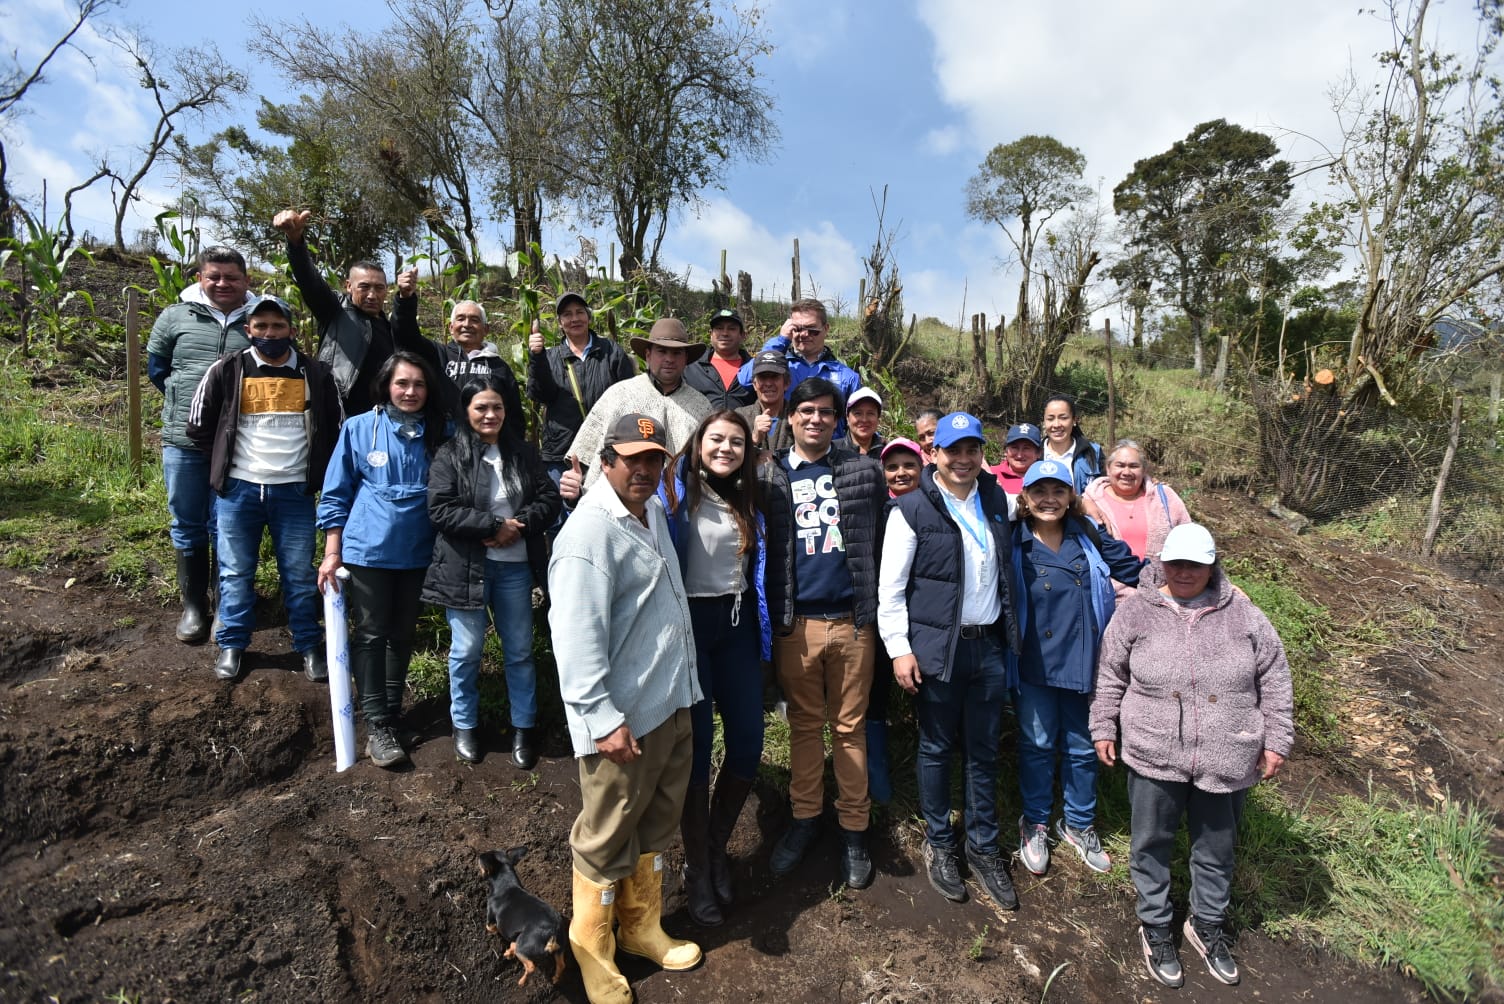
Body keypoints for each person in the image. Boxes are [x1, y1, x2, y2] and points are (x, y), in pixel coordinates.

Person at [1091, 523, 1293, 989]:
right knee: (1150, 844)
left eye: (1195, 564)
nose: (1184, 572)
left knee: (1216, 850)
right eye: (1175, 563)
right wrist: (1103, 725)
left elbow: (1276, 678)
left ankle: (1206, 925)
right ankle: (1157, 925)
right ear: (1160, 563)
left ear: (1212, 564)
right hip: (1154, 751)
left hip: (1228, 754)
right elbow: (1110, 675)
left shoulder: (1243, 613)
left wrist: (1277, 738)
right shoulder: (1136, 612)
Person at [548, 413, 703, 1004]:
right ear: (603, 460)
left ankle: (641, 929)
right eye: (631, 458)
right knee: (606, 833)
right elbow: (576, 638)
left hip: (668, 701)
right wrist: (602, 718)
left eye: (653, 459)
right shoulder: (589, 535)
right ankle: (593, 949)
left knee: (656, 823)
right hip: (624, 718)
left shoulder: (653, 513)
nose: (643, 469)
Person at [879, 413, 1020, 910]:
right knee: (936, 747)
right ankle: (940, 843)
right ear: (933, 454)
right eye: (952, 450)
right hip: (939, 650)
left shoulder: (996, 499)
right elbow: (891, 590)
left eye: (972, 450)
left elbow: (1049, 505)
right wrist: (900, 648)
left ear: (983, 454)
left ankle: (983, 848)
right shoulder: (911, 509)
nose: (963, 460)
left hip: (989, 648)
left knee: (983, 751)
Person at [760, 376, 887, 890]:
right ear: (790, 417)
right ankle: (805, 817)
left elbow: (887, 533)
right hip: (799, 626)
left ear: (838, 420)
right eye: (806, 411)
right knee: (806, 728)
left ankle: (854, 828)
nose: (816, 419)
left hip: (853, 625)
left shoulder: (862, 472)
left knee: (851, 729)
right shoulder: (770, 477)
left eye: (826, 413)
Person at [185, 296, 342, 682]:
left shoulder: (317, 375)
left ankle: (308, 645)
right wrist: (227, 462)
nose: (270, 334)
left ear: (291, 329)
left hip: (294, 493)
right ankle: (233, 644)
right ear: (248, 330)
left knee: (300, 574)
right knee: (235, 571)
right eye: (261, 327)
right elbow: (199, 425)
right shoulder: (227, 370)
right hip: (239, 491)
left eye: (277, 326)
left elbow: (337, 429)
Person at [1011, 459, 1144, 877]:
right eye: (1040, 492)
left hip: (1086, 660)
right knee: (1036, 745)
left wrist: (1201, 582)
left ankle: (1079, 822)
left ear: (1072, 497)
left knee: (1084, 747)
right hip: (1032, 662)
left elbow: (1132, 571)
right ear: (1026, 499)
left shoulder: (1087, 535)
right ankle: (1034, 821)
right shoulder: (1012, 540)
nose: (1049, 500)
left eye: (1058, 491)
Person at [662, 410, 769, 927]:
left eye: (737, 442)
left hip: (739, 625)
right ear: (698, 442)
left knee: (749, 740)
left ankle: (713, 847)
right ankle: (698, 870)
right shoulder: (675, 492)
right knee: (699, 749)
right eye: (717, 439)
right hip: (693, 627)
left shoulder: (749, 497)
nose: (726, 448)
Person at [317, 351, 447, 769]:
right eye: (402, 383)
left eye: (419, 384)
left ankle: (390, 714)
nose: (410, 392)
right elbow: (336, 493)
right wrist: (331, 552)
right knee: (372, 632)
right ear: (386, 385)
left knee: (403, 632)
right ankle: (376, 725)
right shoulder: (359, 428)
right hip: (369, 548)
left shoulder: (440, 431)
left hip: (418, 548)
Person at [423, 376, 561, 769]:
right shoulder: (450, 455)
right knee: (466, 652)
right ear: (466, 412)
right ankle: (463, 725)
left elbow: (548, 498)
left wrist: (517, 524)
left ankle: (524, 726)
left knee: (519, 651)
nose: (490, 414)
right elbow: (440, 508)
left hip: (515, 569)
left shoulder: (522, 452)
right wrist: (490, 525)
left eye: (497, 407)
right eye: (481, 407)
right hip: (466, 569)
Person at [146, 246, 255, 644]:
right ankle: (194, 605)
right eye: (214, 276)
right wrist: (191, 406)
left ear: (246, 280)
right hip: (184, 440)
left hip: (240, 443)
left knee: (226, 525)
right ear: (200, 278)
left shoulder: (259, 319)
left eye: (231, 277)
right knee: (188, 522)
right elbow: (159, 370)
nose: (223, 284)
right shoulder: (175, 316)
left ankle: (227, 604)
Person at [272, 208, 431, 416]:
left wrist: (406, 296)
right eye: (364, 287)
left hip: (382, 418)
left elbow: (408, 336)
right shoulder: (335, 310)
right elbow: (309, 280)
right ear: (349, 286)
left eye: (379, 288)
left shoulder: (388, 326)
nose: (372, 295)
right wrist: (295, 241)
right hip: (339, 414)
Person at [561, 318, 713, 494]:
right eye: (662, 351)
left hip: (682, 504)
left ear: (686, 358)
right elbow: (584, 452)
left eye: (677, 353)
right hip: (620, 500)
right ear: (648, 355)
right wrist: (577, 480)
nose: (669, 359)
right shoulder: (620, 394)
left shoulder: (701, 406)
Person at [864, 435, 926, 805]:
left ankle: (927, 779)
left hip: (925, 619)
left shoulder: (937, 507)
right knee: (876, 694)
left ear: (922, 468)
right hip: (880, 615)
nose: (900, 473)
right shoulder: (874, 508)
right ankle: (877, 774)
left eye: (908, 465)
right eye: (892, 467)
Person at [526, 290, 636, 493]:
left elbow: (628, 398)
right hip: (561, 454)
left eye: (579, 312)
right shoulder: (549, 357)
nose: (574, 318)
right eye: (567, 314)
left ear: (588, 316)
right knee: (561, 519)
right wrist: (537, 357)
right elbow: (540, 395)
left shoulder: (611, 352)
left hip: (604, 453)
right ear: (560, 323)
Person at [735, 298, 862, 437]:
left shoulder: (847, 376)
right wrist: (781, 340)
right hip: (779, 451)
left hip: (829, 453)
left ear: (826, 329)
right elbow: (744, 379)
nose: (804, 334)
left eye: (812, 330)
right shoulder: (778, 366)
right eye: (798, 329)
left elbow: (860, 419)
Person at [432, 299, 525, 442]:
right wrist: (405, 299)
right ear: (451, 327)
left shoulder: (499, 367)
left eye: (474, 320)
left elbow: (514, 416)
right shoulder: (437, 356)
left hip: (487, 451)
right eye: (461, 319)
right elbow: (407, 337)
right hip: (444, 448)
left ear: (486, 329)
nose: (467, 325)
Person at [1083, 440, 1192, 560]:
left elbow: (1188, 537)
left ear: (1144, 470)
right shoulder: (1090, 501)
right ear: (1108, 469)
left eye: (1134, 466)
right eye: (1120, 465)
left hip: (1162, 577)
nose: (1126, 472)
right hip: (1110, 577)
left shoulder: (1164, 497)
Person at [683, 307, 755, 411]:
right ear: (711, 334)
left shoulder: (754, 368)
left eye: (732, 329)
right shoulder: (692, 367)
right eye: (719, 328)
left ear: (743, 335)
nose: (725, 333)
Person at [735, 349, 794, 457]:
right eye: (762, 377)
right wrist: (753, 439)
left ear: (786, 383)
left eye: (774, 376)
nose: (768, 383)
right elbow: (731, 456)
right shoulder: (740, 417)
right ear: (754, 384)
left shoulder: (798, 417)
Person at [1040, 394, 1104, 493]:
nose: (1056, 425)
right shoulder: (1034, 454)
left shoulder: (1093, 452)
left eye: (1063, 418)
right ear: (1044, 421)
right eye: (1050, 419)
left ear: (1074, 420)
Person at [989, 422, 1043, 500]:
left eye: (1026, 448)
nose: (1019, 455)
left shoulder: (1046, 477)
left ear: (1039, 453)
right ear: (1005, 450)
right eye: (1015, 447)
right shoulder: (990, 474)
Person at [833, 387, 886, 456]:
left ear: (878, 419)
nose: (864, 420)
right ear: (847, 418)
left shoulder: (889, 452)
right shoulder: (832, 451)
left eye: (870, 413)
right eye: (858, 413)